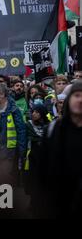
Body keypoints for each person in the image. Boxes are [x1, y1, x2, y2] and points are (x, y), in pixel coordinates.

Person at [32, 82, 82, 217]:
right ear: (69, 100)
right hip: (59, 198)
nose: (80, 99)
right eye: (76, 95)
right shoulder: (54, 129)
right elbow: (43, 167)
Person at [0, 82, 27, 185]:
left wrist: (22, 151)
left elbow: (21, 130)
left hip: (8, 152)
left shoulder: (14, 110)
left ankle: (7, 201)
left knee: (5, 178)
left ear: (3, 94)